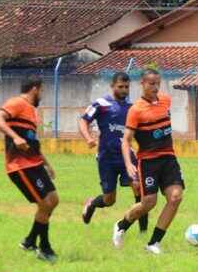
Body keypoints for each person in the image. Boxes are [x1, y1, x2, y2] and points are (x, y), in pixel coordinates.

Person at [112, 69, 184, 255]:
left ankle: (154, 243)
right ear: (142, 84)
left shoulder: (166, 101)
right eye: (151, 83)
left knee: (175, 197)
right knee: (148, 203)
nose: (155, 87)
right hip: (148, 162)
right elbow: (126, 140)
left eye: (157, 83)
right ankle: (121, 225)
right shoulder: (135, 110)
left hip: (168, 158)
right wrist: (129, 164)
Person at [0, 78, 60, 263]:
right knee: (45, 203)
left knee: (53, 199)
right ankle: (44, 248)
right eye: (42, 91)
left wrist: (46, 163)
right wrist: (14, 137)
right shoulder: (17, 103)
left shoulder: (31, 111)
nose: (42, 95)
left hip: (34, 163)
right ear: (35, 89)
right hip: (20, 165)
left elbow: (31, 142)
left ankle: (30, 240)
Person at [79, 72, 148, 232]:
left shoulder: (132, 108)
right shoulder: (101, 104)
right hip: (106, 158)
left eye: (126, 87)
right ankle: (92, 204)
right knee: (109, 200)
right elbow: (83, 120)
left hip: (127, 158)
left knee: (139, 189)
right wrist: (88, 138)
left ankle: (143, 232)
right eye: (120, 87)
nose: (124, 90)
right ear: (112, 86)